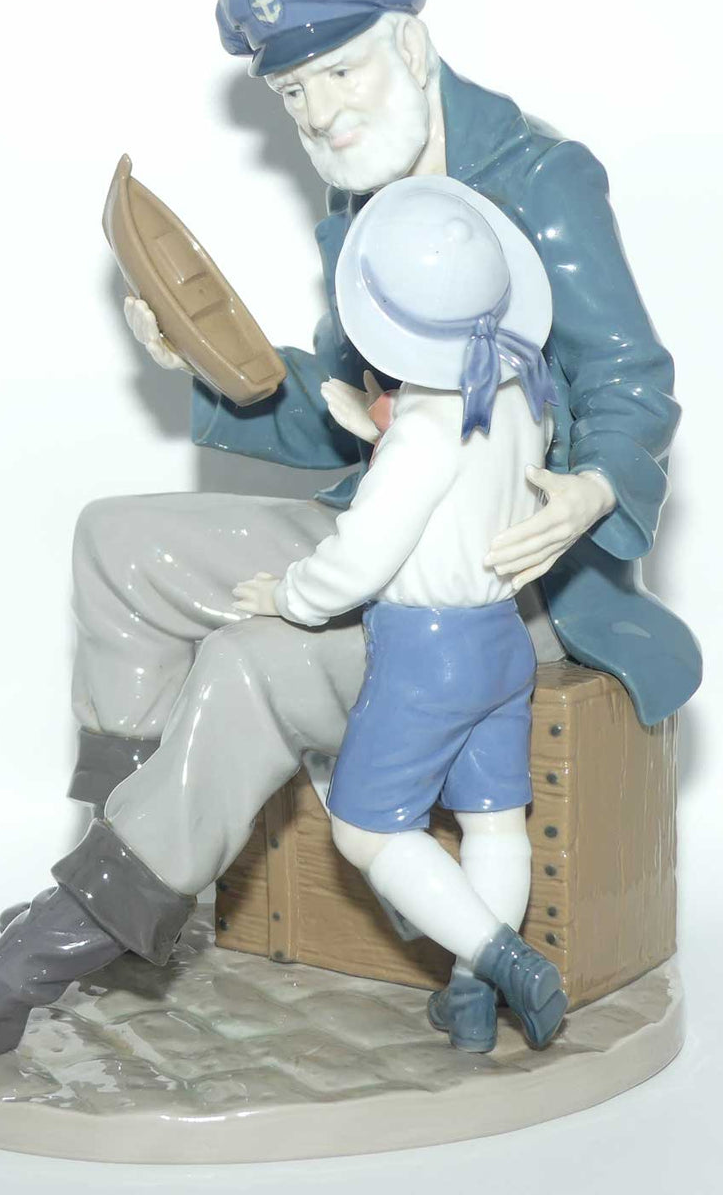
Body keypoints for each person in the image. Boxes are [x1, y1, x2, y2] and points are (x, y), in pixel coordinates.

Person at [0, 0, 698, 1077]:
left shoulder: (538, 179)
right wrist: (208, 363)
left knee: (252, 664)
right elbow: (356, 414)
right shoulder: (367, 187)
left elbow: (632, 381)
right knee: (120, 541)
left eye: (341, 74)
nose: (322, 112)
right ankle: (124, 872)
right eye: (294, 91)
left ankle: (23, 972)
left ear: (411, 47)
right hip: (392, 529)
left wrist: (592, 487)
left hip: (510, 580)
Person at [234, 172, 567, 1050]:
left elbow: (362, 556)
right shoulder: (523, 392)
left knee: (365, 830)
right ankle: (470, 1003)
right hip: (502, 639)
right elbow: (474, 490)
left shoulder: (425, 426)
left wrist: (289, 596)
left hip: (430, 652)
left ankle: (505, 961)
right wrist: (385, 432)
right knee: (495, 821)